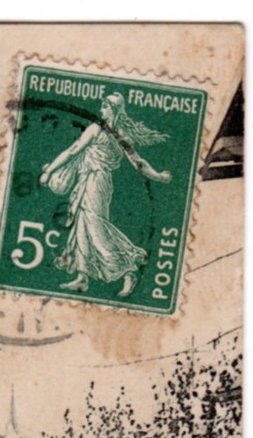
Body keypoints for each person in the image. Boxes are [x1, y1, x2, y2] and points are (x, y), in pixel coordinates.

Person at [39, 92, 172, 298]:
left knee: (95, 226)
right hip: (89, 180)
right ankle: (82, 277)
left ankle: (128, 271)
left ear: (112, 109)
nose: (101, 108)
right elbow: (139, 163)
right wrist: (159, 176)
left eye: (104, 105)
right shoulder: (118, 135)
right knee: (82, 225)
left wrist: (49, 171)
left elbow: (73, 150)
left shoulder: (97, 129)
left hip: (96, 181)